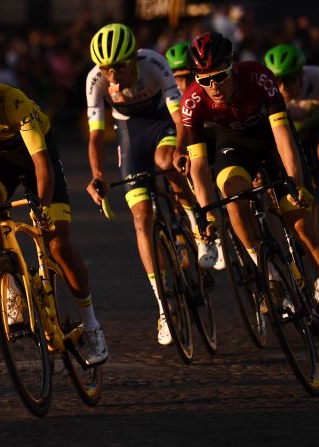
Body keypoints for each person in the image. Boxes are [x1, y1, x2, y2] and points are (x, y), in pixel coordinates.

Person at [0, 52, 109, 365]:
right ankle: (10, 286)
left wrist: (42, 205)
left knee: (58, 243)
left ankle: (92, 324)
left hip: (36, 152)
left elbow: (42, 166)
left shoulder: (13, 102)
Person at [85, 23, 208, 346]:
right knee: (141, 217)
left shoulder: (154, 64)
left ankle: (197, 226)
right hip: (131, 136)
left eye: (118, 68)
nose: (112, 76)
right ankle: (163, 307)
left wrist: (181, 149)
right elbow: (96, 135)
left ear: (133, 60)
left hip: (162, 124)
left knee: (167, 163)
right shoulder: (95, 81)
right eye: (106, 69)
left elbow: (179, 114)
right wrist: (97, 174)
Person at [178, 32, 319, 306]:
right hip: (234, 145)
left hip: (272, 139)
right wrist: (207, 215)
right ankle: (268, 272)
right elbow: (198, 166)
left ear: (232, 65)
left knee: (301, 221)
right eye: (204, 80)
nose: (214, 86)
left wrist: (295, 182)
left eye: (220, 76)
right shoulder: (192, 102)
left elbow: (282, 136)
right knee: (233, 199)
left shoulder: (259, 78)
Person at [166, 41, 225, 271]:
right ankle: (194, 223)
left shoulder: (205, 87)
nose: (182, 84)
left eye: (187, 76)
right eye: (176, 78)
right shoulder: (167, 92)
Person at [264, 44, 319, 195]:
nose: (283, 88)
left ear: (301, 74)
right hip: (290, 136)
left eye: (289, 80)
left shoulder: (318, 77)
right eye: (277, 81)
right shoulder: (265, 91)